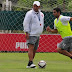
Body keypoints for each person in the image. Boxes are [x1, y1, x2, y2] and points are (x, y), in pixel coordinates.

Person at [23, 1, 44, 68]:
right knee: (31, 48)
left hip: (38, 34)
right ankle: (31, 62)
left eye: (36, 6)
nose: (35, 7)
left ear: (39, 7)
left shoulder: (42, 14)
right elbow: (26, 23)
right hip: (31, 33)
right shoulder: (29, 13)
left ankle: (30, 63)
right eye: (34, 6)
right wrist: (27, 32)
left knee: (35, 49)